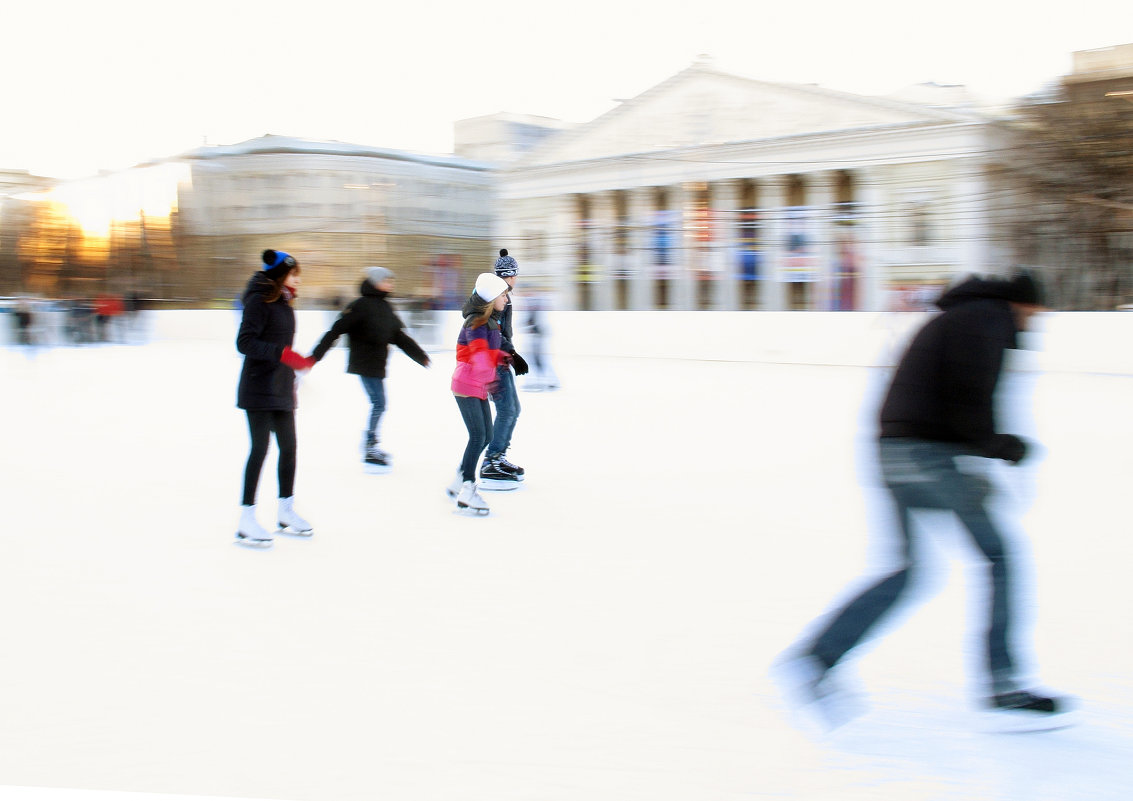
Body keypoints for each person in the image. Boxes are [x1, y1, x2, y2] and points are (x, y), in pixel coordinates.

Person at [775, 271, 1072, 731]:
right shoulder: (987, 320)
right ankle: (1004, 684)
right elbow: (968, 399)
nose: (1037, 324)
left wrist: (985, 449)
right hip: (928, 454)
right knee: (999, 556)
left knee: (909, 571)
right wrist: (1002, 447)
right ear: (1022, 305)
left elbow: (960, 400)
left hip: (894, 451)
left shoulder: (963, 318)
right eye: (1037, 314)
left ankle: (818, 657)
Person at [309, 266, 431, 471]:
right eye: (387, 280)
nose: (391, 284)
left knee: (379, 403)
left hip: (377, 364)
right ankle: (369, 446)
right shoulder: (360, 306)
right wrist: (316, 356)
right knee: (379, 403)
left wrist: (420, 356)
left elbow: (399, 337)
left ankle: (371, 445)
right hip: (365, 364)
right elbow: (335, 330)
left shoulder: (385, 307)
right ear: (375, 282)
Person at [235, 249, 317, 548]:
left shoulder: (284, 302)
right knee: (260, 449)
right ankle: (246, 517)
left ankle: (285, 511)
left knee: (289, 448)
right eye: (293, 273)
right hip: (257, 387)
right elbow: (244, 342)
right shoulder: (259, 300)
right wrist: (281, 354)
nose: (297, 279)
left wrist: (294, 368)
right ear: (281, 273)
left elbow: (280, 345)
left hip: (281, 386)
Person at [446, 272, 511, 515]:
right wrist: (492, 380)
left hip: (477, 385)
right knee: (478, 436)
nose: (506, 299)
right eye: (503, 295)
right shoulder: (476, 323)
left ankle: (459, 478)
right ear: (492, 297)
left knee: (486, 435)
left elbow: (489, 353)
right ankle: (467, 490)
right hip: (467, 385)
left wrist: (505, 358)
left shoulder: (490, 322)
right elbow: (479, 354)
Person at [469, 249, 529, 488]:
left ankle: (498, 455)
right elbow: (491, 329)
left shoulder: (503, 295)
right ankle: (491, 461)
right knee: (507, 410)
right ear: (511, 275)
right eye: (514, 275)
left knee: (513, 409)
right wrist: (512, 353)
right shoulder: (492, 296)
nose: (514, 280)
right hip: (493, 361)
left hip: (501, 358)